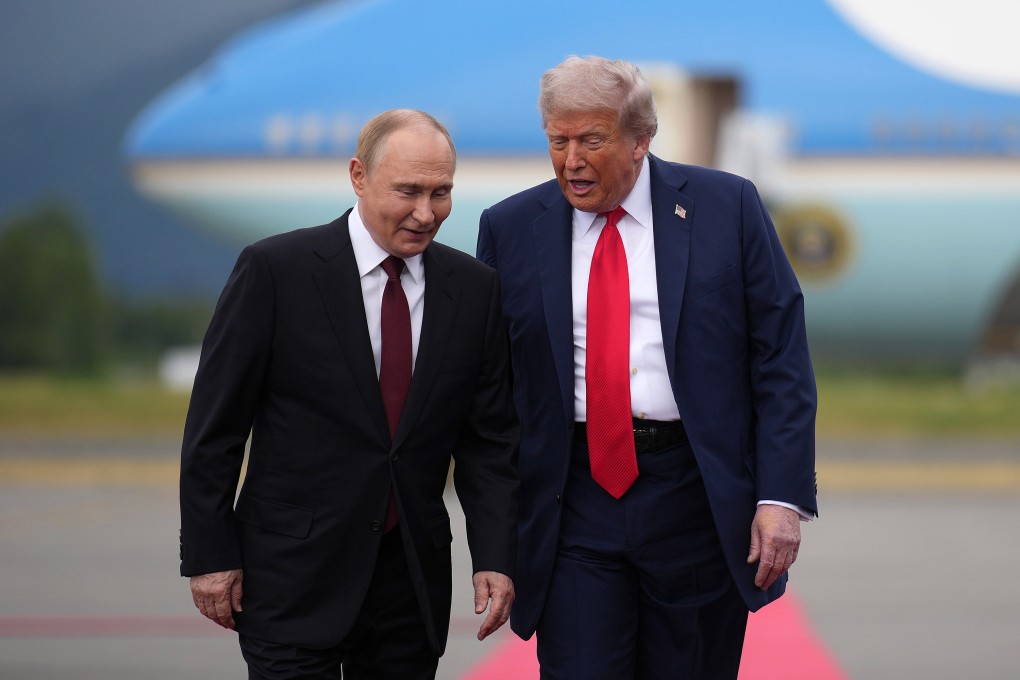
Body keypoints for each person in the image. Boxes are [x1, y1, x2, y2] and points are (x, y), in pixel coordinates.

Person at [477, 56, 817, 679]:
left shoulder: (727, 207)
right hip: (571, 498)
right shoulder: (510, 227)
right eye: (558, 140)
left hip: (692, 494)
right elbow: (492, 395)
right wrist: (495, 541)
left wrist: (781, 497)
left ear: (641, 141)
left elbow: (781, 357)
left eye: (591, 140)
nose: (571, 160)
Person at [180, 108, 519, 680]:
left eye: (441, 193)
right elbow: (215, 429)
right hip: (291, 576)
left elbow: (488, 444)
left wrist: (496, 557)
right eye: (408, 190)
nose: (425, 212)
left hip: (409, 583)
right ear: (358, 176)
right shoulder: (275, 270)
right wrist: (211, 556)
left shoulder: (475, 290)